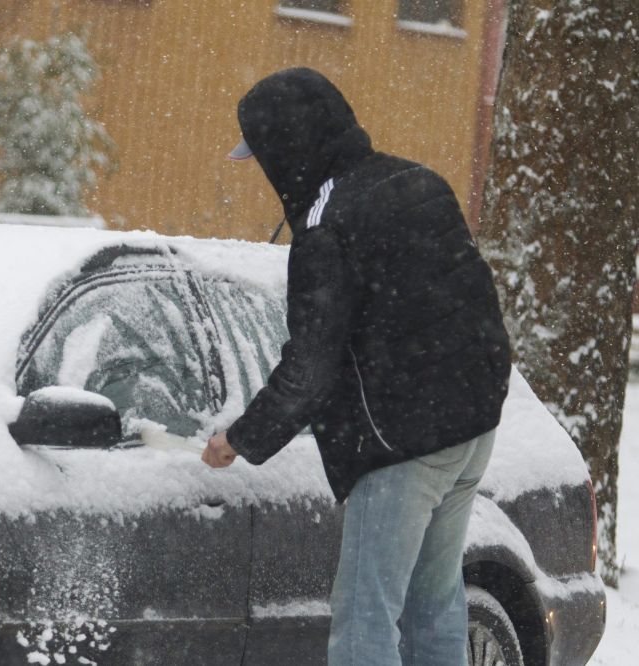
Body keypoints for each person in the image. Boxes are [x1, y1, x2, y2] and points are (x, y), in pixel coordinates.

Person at [201, 68, 511, 665]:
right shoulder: (417, 180)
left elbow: (310, 369)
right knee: (434, 605)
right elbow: (475, 301)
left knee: (364, 626)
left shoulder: (326, 227)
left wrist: (239, 439)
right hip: (473, 430)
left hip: (404, 446)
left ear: (285, 149)